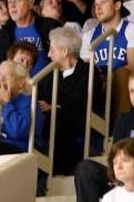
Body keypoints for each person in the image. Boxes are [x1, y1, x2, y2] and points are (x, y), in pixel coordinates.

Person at [73, 69, 134, 202]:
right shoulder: (124, 119)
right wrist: (118, 177)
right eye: (131, 91)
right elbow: (116, 155)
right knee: (86, 169)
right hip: (123, 178)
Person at [82, 0, 134, 117]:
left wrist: (109, 78)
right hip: (98, 83)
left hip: (123, 82)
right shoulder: (89, 35)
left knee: (122, 74)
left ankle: (121, 127)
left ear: (117, 5)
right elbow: (86, 67)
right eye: (95, 4)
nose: (98, 8)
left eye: (103, 3)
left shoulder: (132, 29)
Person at [38, 27, 89, 174]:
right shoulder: (51, 74)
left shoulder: (86, 71)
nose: (48, 55)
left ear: (64, 51)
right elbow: (39, 94)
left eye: (52, 50)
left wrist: (55, 107)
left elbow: (80, 101)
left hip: (74, 125)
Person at [0, 0, 60, 74]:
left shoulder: (51, 26)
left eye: (17, 1)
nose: (12, 6)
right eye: (9, 2)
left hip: (48, 84)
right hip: (16, 86)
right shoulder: (3, 34)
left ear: (31, 3)